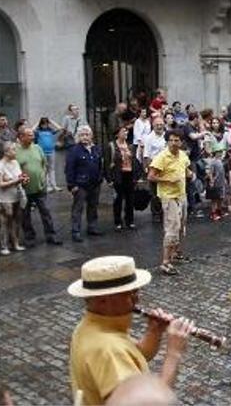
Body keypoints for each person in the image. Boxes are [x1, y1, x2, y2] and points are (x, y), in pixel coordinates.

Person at [68, 255, 194, 405]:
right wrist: (174, 354)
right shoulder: (108, 349)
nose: (137, 299)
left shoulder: (91, 326)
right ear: (103, 300)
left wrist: (154, 331)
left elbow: (139, 354)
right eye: (131, 293)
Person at [147, 129, 193, 276]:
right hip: (168, 196)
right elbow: (151, 177)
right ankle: (165, 262)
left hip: (182, 195)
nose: (174, 143)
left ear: (181, 142)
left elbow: (186, 170)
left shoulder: (183, 155)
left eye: (177, 140)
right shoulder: (161, 157)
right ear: (167, 141)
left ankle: (177, 253)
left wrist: (191, 174)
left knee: (181, 226)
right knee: (172, 228)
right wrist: (167, 179)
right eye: (171, 140)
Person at [16, 127, 59, 246]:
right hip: (24, 189)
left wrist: (43, 177)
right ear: (21, 137)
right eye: (29, 135)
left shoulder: (37, 148)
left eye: (32, 134)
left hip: (40, 187)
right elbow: (12, 169)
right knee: (25, 215)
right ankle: (29, 237)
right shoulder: (15, 151)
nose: (32, 137)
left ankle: (51, 235)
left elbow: (44, 164)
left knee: (46, 211)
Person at [65, 126, 104, 243]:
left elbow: (100, 165)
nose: (85, 137)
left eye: (87, 134)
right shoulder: (74, 150)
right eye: (82, 135)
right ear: (78, 136)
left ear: (91, 136)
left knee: (93, 206)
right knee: (78, 208)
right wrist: (71, 185)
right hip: (80, 184)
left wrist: (100, 178)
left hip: (94, 183)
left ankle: (92, 227)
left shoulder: (96, 149)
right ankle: (75, 231)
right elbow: (69, 169)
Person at [0, 141, 27, 255]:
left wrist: (23, 179)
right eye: (13, 149)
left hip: (16, 196)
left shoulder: (15, 162)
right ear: (6, 152)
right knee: (5, 222)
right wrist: (15, 181)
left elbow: (19, 176)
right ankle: (4, 246)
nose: (15, 151)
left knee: (16, 221)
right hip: (4, 199)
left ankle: (15, 243)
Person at [107, 126, 139, 232]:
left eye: (126, 131)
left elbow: (134, 161)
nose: (126, 132)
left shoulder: (130, 146)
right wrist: (109, 179)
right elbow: (107, 164)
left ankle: (130, 221)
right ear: (117, 134)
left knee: (130, 199)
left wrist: (136, 176)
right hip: (118, 175)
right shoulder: (111, 146)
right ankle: (118, 222)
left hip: (129, 174)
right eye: (123, 131)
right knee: (118, 200)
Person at [142, 117, 168, 223]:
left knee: (166, 191)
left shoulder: (167, 136)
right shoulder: (149, 138)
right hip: (154, 165)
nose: (159, 126)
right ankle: (156, 213)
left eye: (161, 124)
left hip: (166, 166)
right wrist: (149, 169)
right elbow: (146, 155)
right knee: (155, 192)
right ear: (153, 125)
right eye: (157, 124)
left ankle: (165, 212)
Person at [33, 117, 62, 192]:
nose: (45, 125)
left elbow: (59, 128)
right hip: (42, 152)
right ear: (41, 124)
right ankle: (47, 186)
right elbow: (32, 130)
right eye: (43, 124)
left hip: (51, 151)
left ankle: (54, 185)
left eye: (46, 124)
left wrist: (51, 121)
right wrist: (37, 122)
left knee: (52, 169)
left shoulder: (50, 131)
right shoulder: (38, 131)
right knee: (44, 169)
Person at [205, 142, 226, 221]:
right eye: (218, 152)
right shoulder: (213, 162)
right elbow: (210, 172)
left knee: (220, 198)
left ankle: (219, 211)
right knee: (214, 199)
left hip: (221, 182)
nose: (220, 153)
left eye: (221, 152)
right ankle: (213, 213)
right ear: (215, 153)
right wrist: (211, 180)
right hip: (215, 182)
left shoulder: (220, 161)